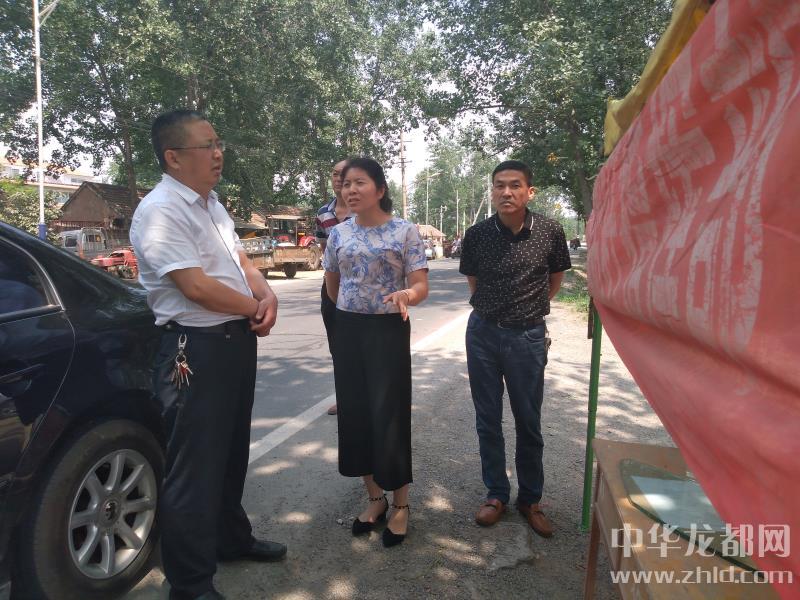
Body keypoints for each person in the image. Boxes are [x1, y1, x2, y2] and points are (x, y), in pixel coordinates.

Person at [130, 109, 286, 600]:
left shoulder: (211, 204)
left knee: (231, 452)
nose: (218, 154)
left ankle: (230, 539)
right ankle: (190, 583)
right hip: (193, 348)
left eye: (219, 143)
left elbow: (239, 261)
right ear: (174, 157)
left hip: (233, 342)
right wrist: (254, 307)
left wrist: (266, 294)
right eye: (207, 146)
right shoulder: (160, 210)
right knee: (194, 468)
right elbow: (194, 287)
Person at [459, 160, 571, 538]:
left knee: (528, 420)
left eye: (515, 185)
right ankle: (496, 494)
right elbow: (474, 284)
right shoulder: (477, 235)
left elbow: (554, 280)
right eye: (499, 185)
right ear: (492, 191)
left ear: (529, 192)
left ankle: (531, 499)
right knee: (487, 418)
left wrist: (527, 312)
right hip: (483, 335)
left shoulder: (550, 232)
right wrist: (496, 313)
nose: (506, 192)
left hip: (527, 338)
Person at [323, 157, 428, 548]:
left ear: (380, 189)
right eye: (346, 183)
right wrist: (351, 311)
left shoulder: (405, 231)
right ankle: (374, 498)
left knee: (389, 415)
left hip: (388, 331)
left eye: (360, 182)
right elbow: (332, 285)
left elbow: (420, 285)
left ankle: (401, 504)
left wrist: (406, 295)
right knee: (355, 413)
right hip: (349, 330)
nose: (350, 190)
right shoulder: (338, 234)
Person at [315, 159, 352, 415]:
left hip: (360, 288)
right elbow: (323, 249)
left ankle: (368, 396)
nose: (338, 178)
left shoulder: (364, 211)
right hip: (331, 286)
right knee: (338, 345)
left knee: (363, 344)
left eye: (344, 174)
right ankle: (345, 397)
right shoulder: (323, 213)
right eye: (335, 174)